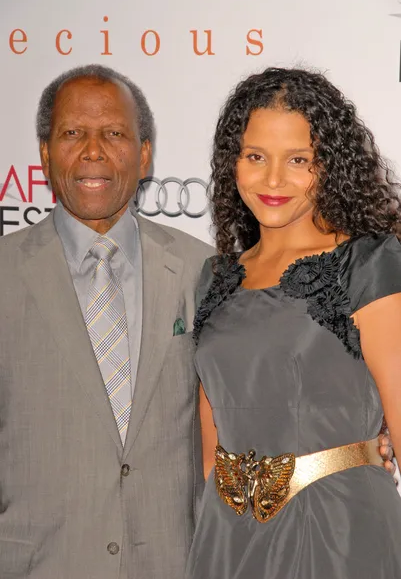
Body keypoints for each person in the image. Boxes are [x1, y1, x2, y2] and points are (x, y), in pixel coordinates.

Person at [186, 67, 401, 579]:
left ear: (329, 166)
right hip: (228, 532)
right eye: (255, 157)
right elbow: (212, 441)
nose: (274, 179)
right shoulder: (214, 277)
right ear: (232, 162)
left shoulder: (368, 263)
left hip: (339, 528)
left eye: (298, 160)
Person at [0, 64, 213, 579]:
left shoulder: (202, 271)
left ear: (144, 155)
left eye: (114, 133)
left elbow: (244, 408)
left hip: (173, 563)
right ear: (46, 156)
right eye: (73, 133)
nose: (93, 150)